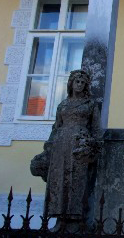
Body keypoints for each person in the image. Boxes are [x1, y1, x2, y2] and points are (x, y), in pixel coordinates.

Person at [31, 70, 101, 220]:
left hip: (79, 145)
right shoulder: (63, 104)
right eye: (77, 81)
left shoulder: (90, 104)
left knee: (78, 179)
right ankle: (58, 216)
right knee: (58, 178)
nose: (80, 85)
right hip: (60, 144)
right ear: (71, 83)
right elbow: (56, 127)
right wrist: (48, 149)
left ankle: (75, 217)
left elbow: (96, 128)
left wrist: (93, 146)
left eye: (83, 83)